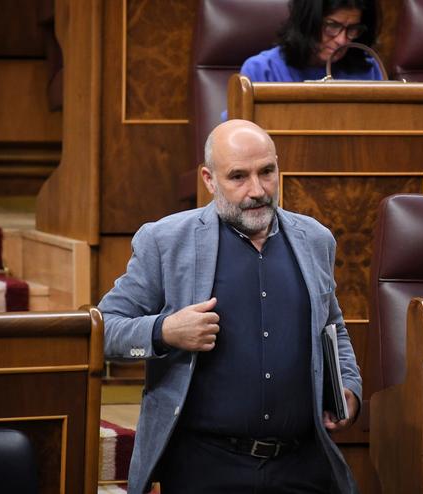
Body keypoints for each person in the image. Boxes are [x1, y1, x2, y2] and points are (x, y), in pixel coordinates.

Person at [99, 119, 361, 494]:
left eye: (267, 172)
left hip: (302, 464)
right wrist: (164, 331)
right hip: (204, 466)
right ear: (209, 179)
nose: (257, 190)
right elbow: (104, 327)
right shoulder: (165, 241)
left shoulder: (315, 239)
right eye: (238, 176)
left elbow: (334, 328)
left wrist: (348, 386)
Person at [241, 0, 384, 82]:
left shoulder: (368, 69)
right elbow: (234, 131)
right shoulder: (262, 70)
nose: (342, 40)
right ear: (306, 22)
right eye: (332, 25)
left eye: (353, 29)